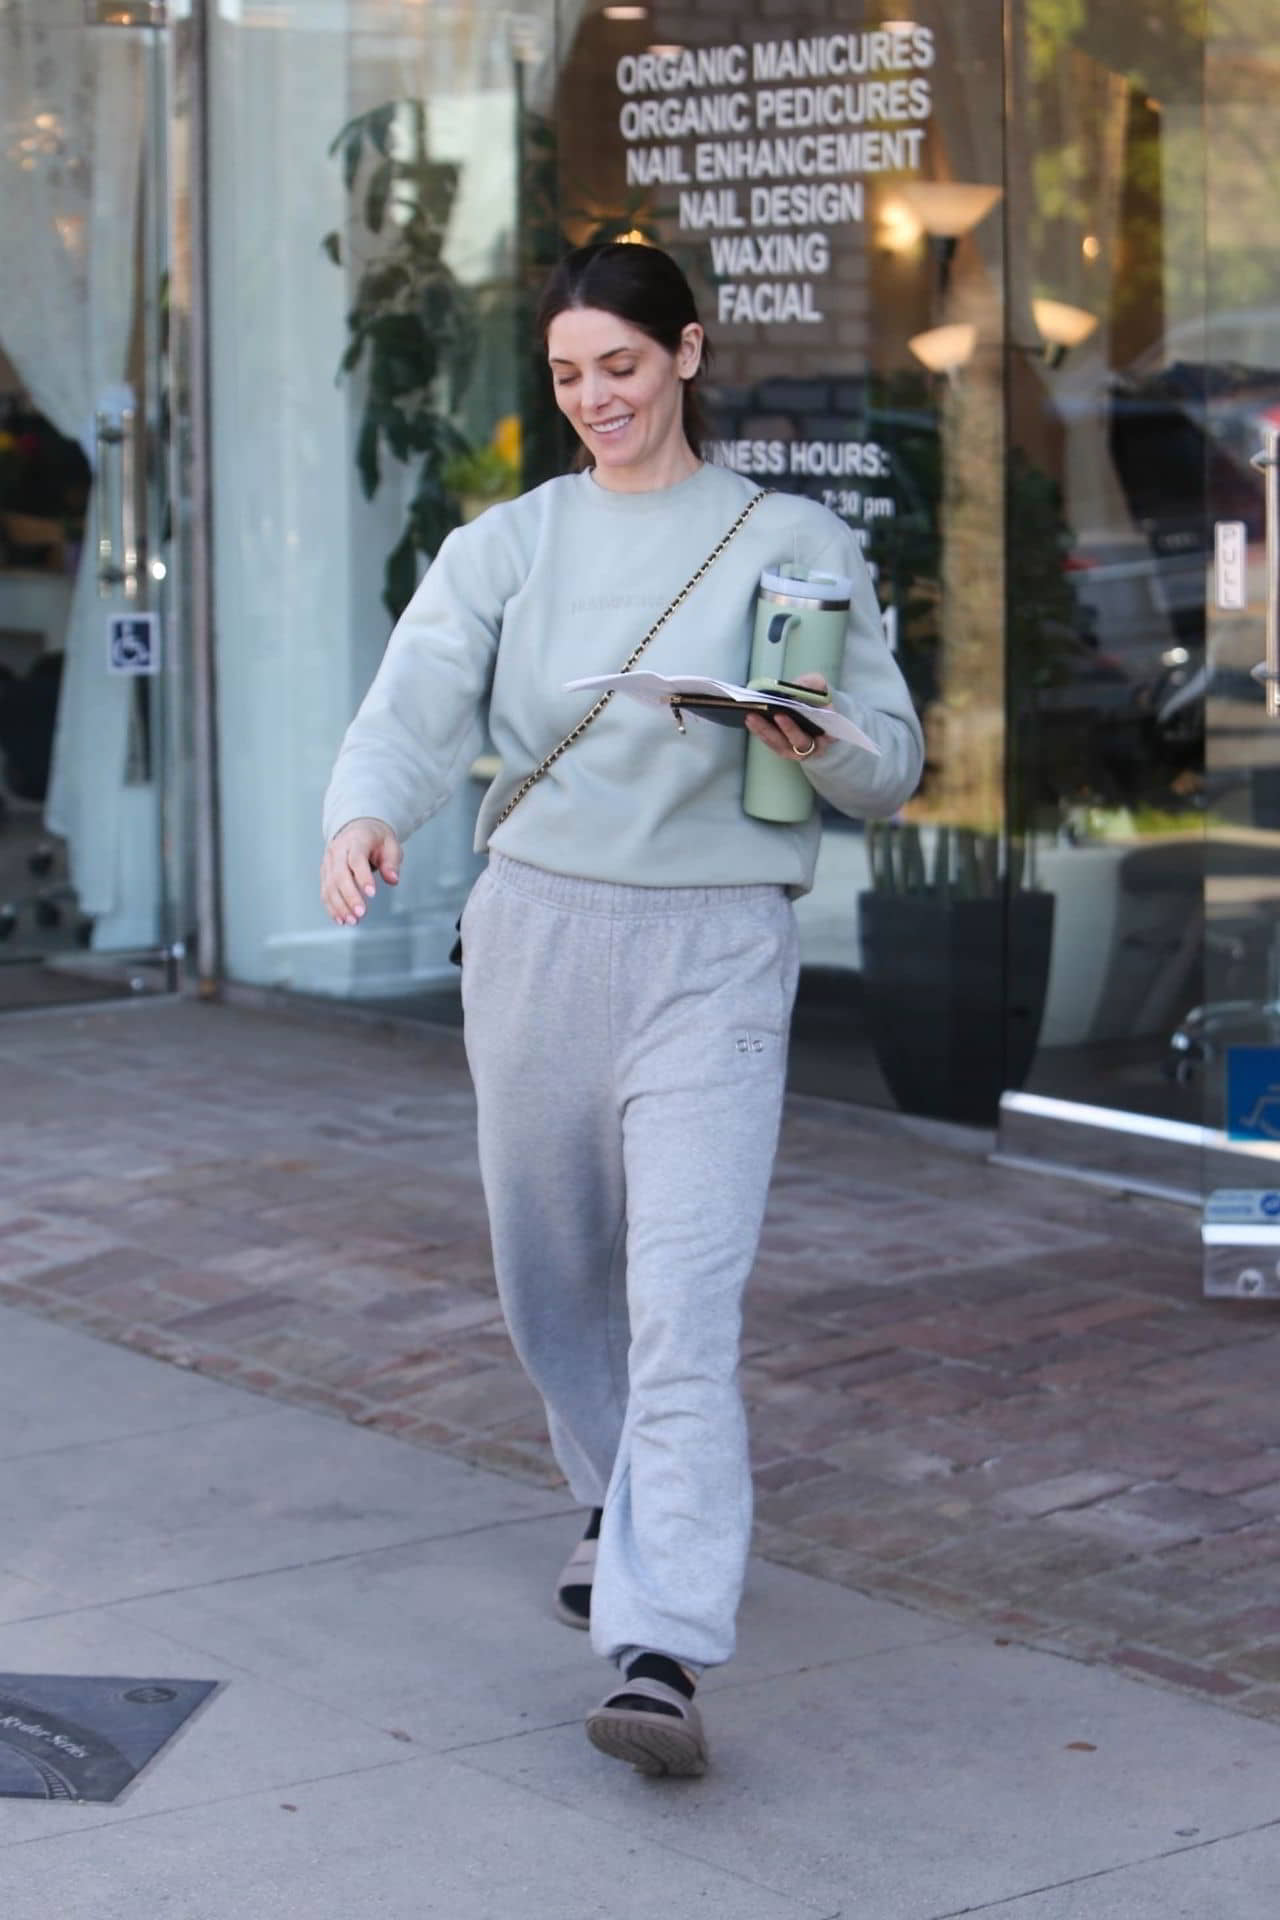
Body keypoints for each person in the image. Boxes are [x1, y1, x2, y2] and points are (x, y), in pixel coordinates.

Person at [321, 241, 923, 1778]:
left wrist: (815, 734)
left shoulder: (790, 538)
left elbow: (890, 763)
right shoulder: (507, 546)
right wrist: (365, 815)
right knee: (551, 1281)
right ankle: (615, 1499)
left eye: (625, 367)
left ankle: (658, 1647)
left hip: (716, 945)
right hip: (536, 932)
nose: (597, 397)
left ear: (690, 355)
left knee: (683, 1304)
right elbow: (413, 701)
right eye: (573, 374)